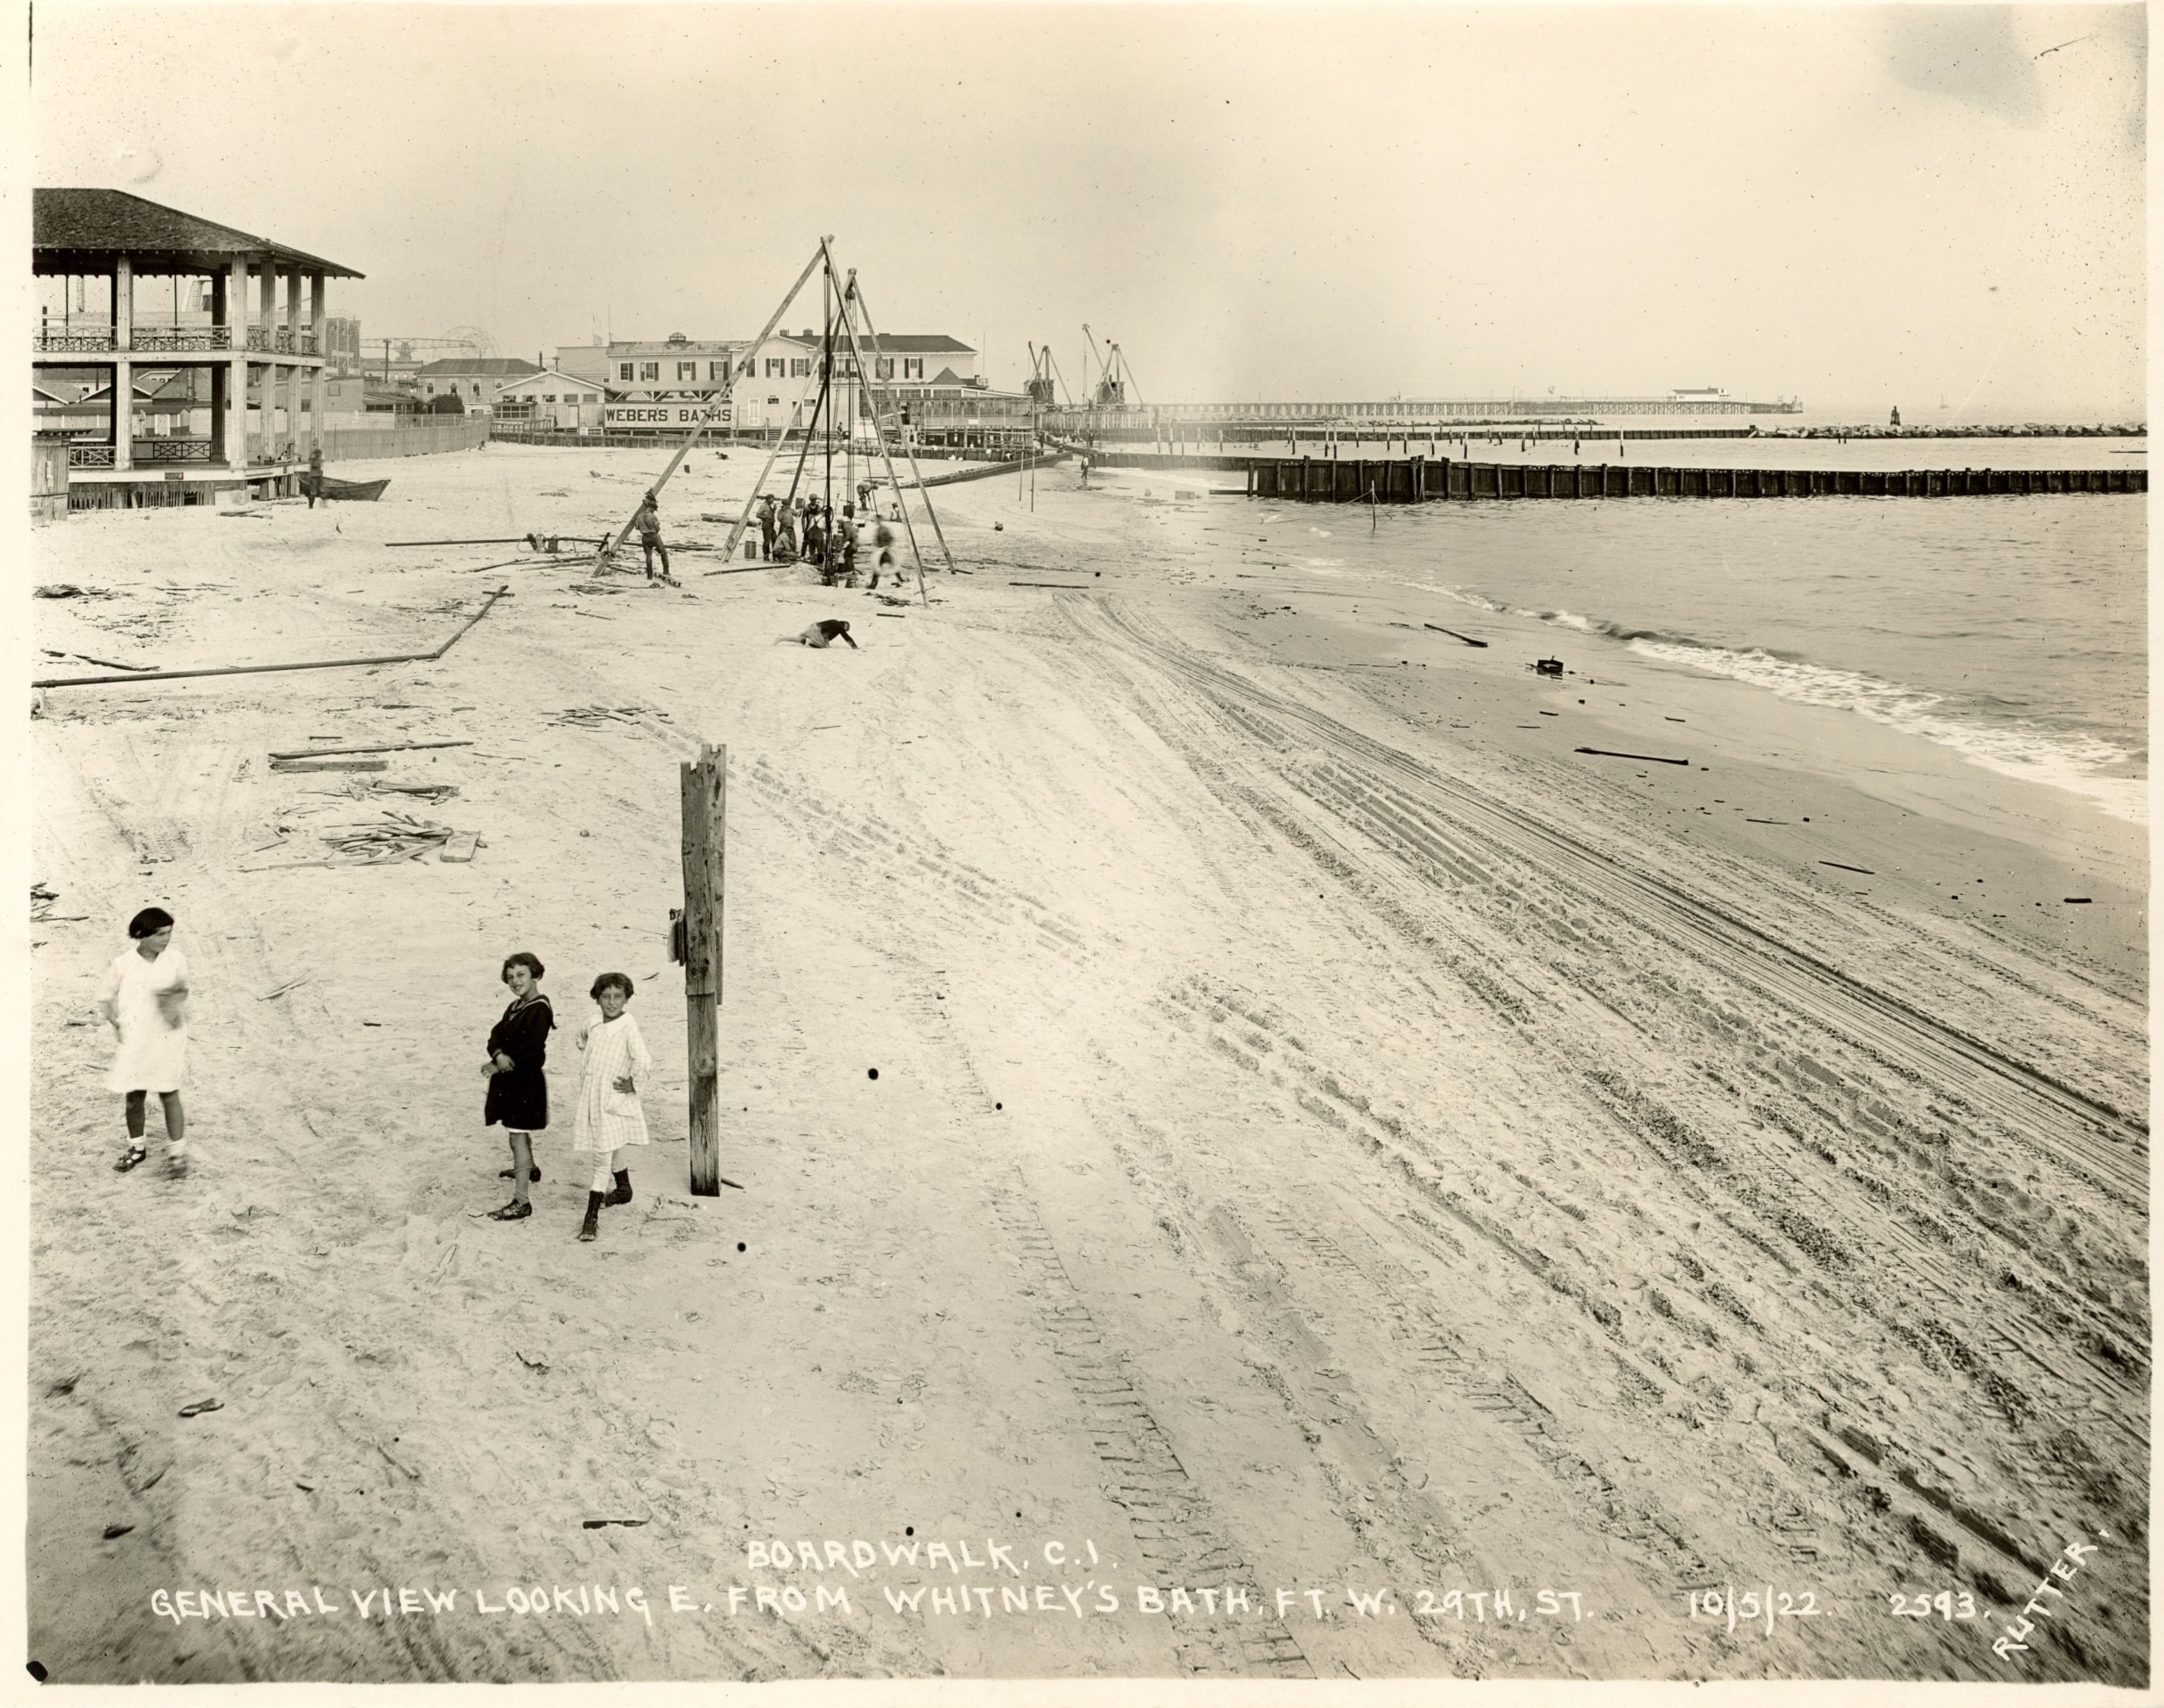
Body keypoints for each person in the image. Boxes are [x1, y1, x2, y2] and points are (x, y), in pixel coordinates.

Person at [98, 906, 190, 1177]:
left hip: (167, 1038)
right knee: (134, 1095)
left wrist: (173, 999)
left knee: (168, 1092)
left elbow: (183, 988)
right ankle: (137, 1148)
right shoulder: (123, 964)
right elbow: (104, 997)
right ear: (141, 935)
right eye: (160, 934)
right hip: (136, 1038)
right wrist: (116, 1022)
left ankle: (177, 1154)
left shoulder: (175, 959)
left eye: (169, 933)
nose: (166, 939)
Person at [571, 973, 652, 1243]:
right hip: (592, 1094)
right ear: (597, 998)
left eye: (618, 997)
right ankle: (624, 1189)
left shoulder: (628, 1026)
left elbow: (643, 1059)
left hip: (613, 1096)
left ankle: (590, 1218)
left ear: (627, 998)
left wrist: (633, 1082)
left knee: (600, 1156)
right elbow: (581, 1036)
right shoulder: (593, 1021)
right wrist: (590, 1064)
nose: (611, 1002)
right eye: (606, 996)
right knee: (610, 1142)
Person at [483, 951, 554, 1221]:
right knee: (517, 1132)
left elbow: (532, 1054)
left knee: (516, 1137)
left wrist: (501, 1064)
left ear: (535, 974)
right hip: (512, 1084)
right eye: (510, 977)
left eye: (521, 975)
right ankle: (530, 1168)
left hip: (526, 1084)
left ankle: (521, 1201)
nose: (515, 981)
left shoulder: (539, 1009)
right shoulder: (514, 1007)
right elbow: (495, 1034)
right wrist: (498, 1054)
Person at [632, 491, 675, 585]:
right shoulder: (653, 517)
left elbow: (637, 528)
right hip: (654, 536)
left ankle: (649, 575)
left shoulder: (639, 516)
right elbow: (657, 529)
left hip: (645, 537)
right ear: (652, 508)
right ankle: (666, 571)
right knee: (663, 553)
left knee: (648, 556)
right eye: (654, 509)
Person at [783, 619, 858, 649]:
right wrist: (854, 646)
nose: (845, 630)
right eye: (846, 629)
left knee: (798, 639)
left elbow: (827, 634)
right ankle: (810, 641)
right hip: (818, 630)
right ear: (845, 625)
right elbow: (846, 637)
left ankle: (780, 639)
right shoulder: (840, 627)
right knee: (822, 646)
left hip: (813, 626)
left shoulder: (834, 622)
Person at [868, 517, 898, 591]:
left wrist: (887, 546)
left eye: (877, 520)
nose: (876, 522)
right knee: (879, 566)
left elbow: (891, 538)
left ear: (880, 520)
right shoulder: (879, 529)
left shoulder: (884, 529)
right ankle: (873, 584)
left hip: (885, 550)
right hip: (882, 549)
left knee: (882, 566)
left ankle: (873, 584)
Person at [757, 494, 777, 560]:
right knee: (767, 541)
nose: (773, 501)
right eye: (771, 500)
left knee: (774, 539)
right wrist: (766, 517)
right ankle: (766, 556)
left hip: (771, 525)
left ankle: (775, 555)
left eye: (773, 499)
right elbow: (758, 515)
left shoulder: (770, 505)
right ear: (768, 499)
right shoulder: (763, 506)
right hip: (766, 524)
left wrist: (773, 510)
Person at [304, 444, 324, 509]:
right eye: (319, 454)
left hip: (318, 476)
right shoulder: (315, 460)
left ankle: (314, 504)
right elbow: (315, 465)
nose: (320, 455)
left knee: (320, 490)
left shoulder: (316, 460)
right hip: (314, 477)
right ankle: (311, 505)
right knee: (313, 492)